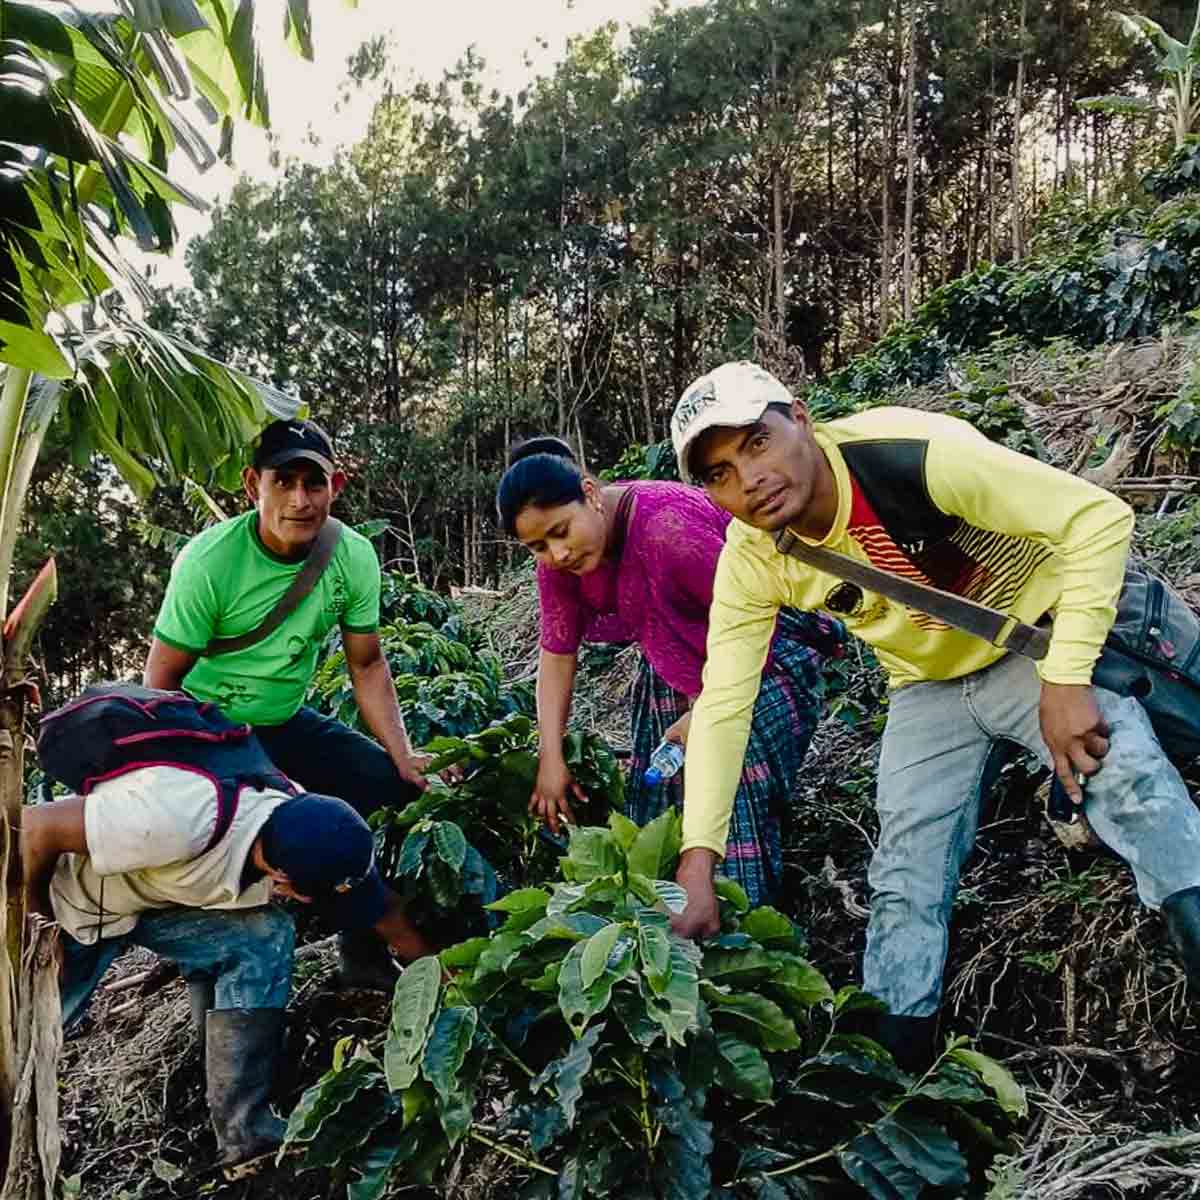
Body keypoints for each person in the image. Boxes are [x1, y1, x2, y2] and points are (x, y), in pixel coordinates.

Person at [668, 360, 1200, 1071]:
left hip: (1034, 638)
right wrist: (698, 860)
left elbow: (1097, 518)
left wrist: (1066, 680)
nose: (748, 479)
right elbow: (726, 703)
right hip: (928, 687)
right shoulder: (754, 556)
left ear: (799, 417)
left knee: (1131, 786)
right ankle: (895, 1079)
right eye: (719, 473)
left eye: (756, 443)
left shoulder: (911, 456)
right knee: (904, 878)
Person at [24, 767, 425, 1179]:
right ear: (282, 879)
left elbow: (384, 914)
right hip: (61, 906)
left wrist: (441, 976)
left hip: (142, 901)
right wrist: (37, 922)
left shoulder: (311, 829)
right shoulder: (175, 820)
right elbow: (33, 828)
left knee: (261, 936)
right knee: (27, 1036)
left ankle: (243, 1131)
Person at [143, 419, 430, 988]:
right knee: (291, 835)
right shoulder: (210, 563)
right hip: (209, 733)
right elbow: (161, 687)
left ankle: (363, 953)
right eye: (284, 482)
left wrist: (403, 752)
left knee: (387, 787)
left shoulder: (352, 556)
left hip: (284, 720)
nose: (299, 500)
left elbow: (367, 665)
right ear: (254, 485)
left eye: (313, 483)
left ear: (336, 485)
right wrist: (221, 783)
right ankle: (211, 968)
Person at [495, 436, 843, 905]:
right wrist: (550, 758)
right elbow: (557, 654)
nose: (557, 554)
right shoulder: (559, 564)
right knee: (658, 794)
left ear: (592, 494)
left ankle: (739, 928)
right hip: (679, 656)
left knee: (726, 788)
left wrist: (704, 714)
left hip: (767, 651)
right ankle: (666, 914)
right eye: (537, 545)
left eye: (561, 531)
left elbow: (755, 627)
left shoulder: (667, 529)